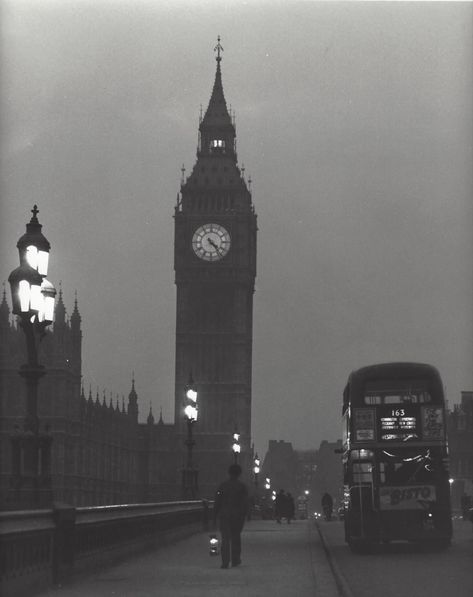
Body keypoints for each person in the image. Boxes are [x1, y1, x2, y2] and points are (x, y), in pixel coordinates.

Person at [214, 464, 249, 569]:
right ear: (239, 474)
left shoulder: (223, 486)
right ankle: (235, 559)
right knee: (236, 537)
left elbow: (217, 501)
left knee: (225, 539)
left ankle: (225, 561)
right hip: (237, 516)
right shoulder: (242, 487)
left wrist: (214, 515)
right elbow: (245, 503)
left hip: (224, 515)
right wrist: (244, 514)